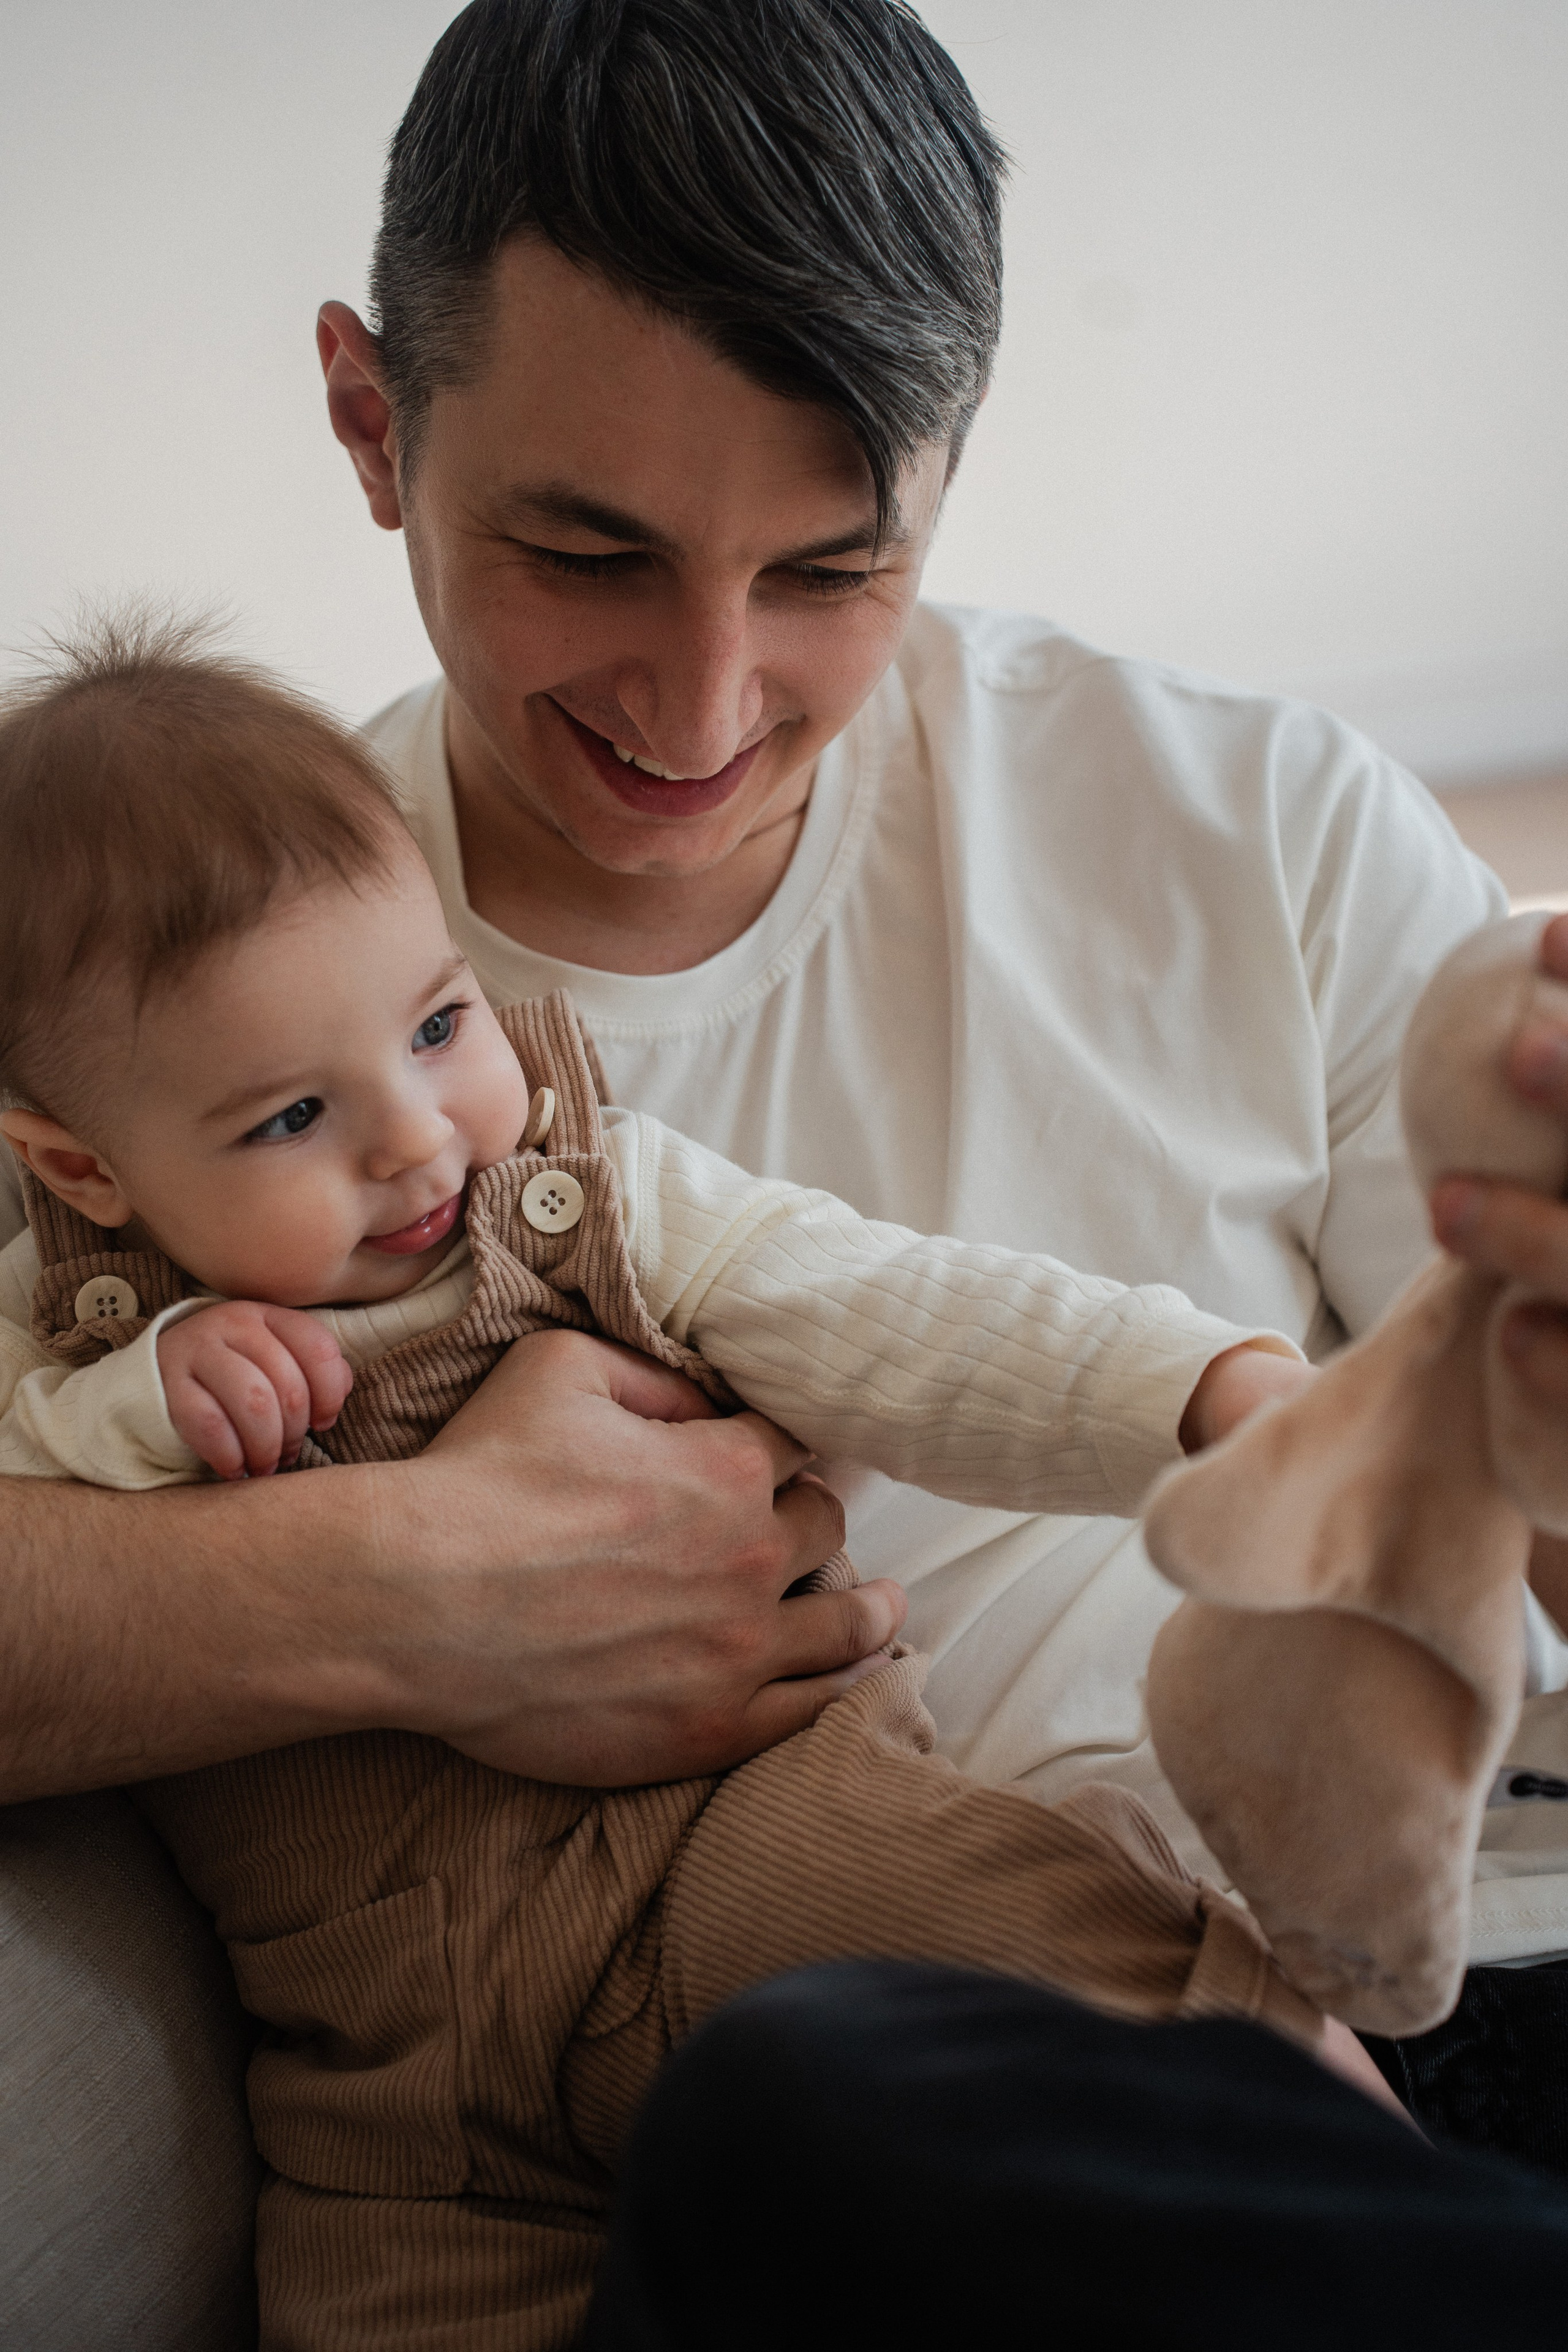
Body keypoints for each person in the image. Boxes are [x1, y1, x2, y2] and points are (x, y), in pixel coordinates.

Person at [7, 0, 1568, 2171]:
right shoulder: (157, 996)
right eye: (589, 552)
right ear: (372, 424)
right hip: (828, 2125)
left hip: (1469, 1962)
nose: (705, 699)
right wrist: (420, 1589)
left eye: (835, 570)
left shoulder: (1258, 822)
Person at [0, 617, 1368, 2346]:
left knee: (1092, 1987)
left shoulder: (600, 1205)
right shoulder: (58, 1352)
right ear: (81, 1168)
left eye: (437, 1024)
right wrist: (130, 1409)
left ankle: (1384, 2186)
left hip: (758, 1852)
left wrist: (1212, 1396)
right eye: (289, 1119)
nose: (418, 1136)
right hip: (391, 2097)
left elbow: (914, 1320)